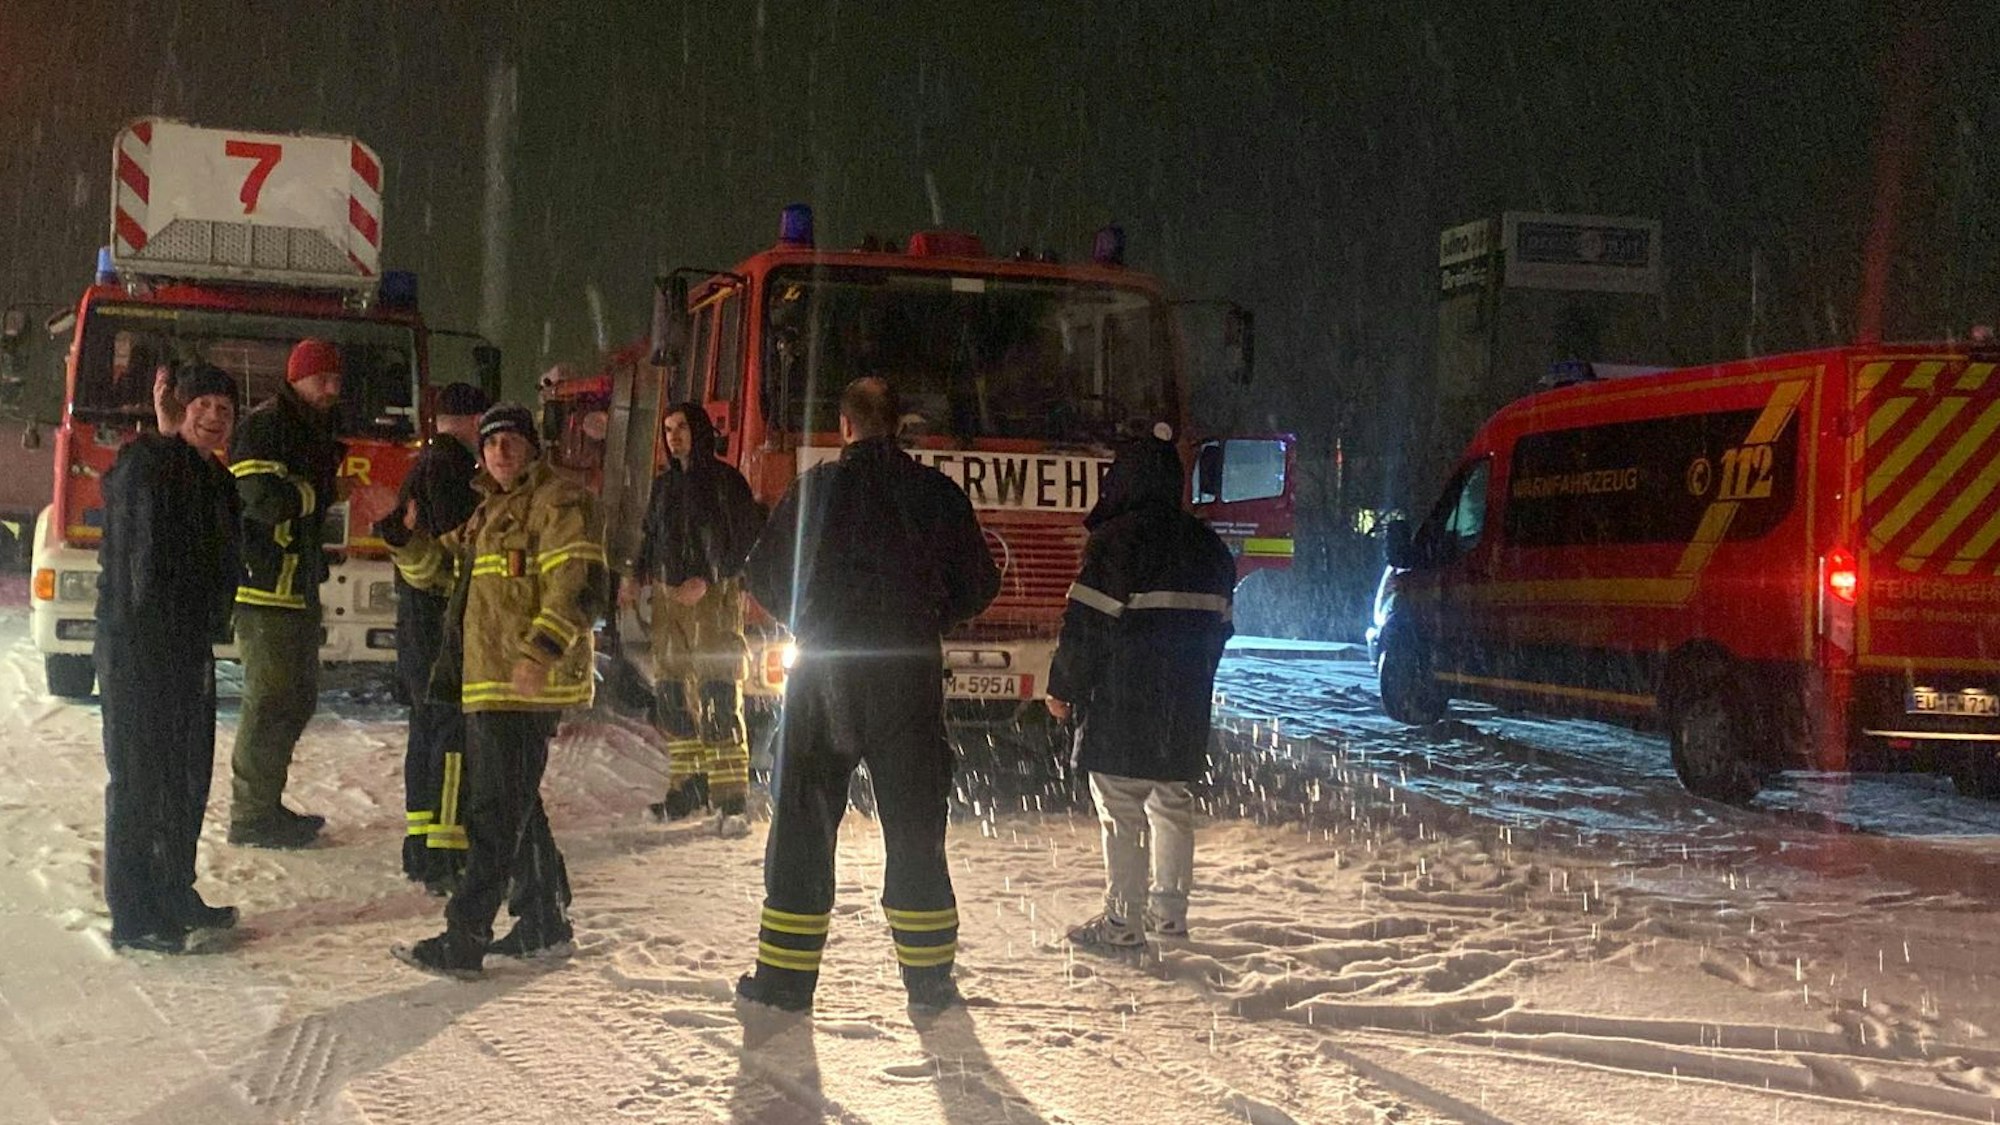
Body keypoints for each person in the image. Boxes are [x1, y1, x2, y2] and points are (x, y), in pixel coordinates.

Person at [735, 377, 999, 1014]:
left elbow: (764, 574)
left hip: (822, 673)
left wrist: (812, 619)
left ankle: (785, 983)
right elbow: (978, 583)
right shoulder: (935, 494)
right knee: (914, 828)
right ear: (900, 426)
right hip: (905, 677)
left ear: (845, 428)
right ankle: (930, 981)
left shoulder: (815, 490)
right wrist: (926, 619)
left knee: (803, 821)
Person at [384, 402, 605, 977]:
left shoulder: (558, 502)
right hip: (490, 683)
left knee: (491, 813)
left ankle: (465, 938)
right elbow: (439, 572)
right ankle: (542, 920)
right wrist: (406, 542)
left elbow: (577, 587)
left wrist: (540, 654)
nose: (500, 451)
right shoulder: (490, 513)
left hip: (524, 685)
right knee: (517, 805)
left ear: (533, 447)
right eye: (490, 443)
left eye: (511, 440)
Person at [1046, 425, 1236, 950]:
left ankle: (1121, 924)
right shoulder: (1209, 548)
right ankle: (1170, 918)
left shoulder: (1116, 544)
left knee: (1121, 810)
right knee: (1172, 803)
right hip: (1184, 705)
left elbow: (1085, 627)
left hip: (1123, 704)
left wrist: (1063, 686)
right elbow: (1221, 630)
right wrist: (1193, 680)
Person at [96, 364, 243, 953]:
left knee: (185, 776)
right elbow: (133, 495)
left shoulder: (215, 477)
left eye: (224, 409)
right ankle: (134, 916)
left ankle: (174, 890)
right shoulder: (145, 462)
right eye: (203, 404)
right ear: (181, 408)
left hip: (187, 647)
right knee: (139, 780)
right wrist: (160, 434)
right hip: (138, 646)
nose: (213, 416)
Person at [225, 338, 345, 848]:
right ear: (297, 377)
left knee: (295, 700)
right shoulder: (266, 427)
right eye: (323, 379)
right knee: (270, 701)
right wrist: (320, 494)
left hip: (295, 586)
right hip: (264, 587)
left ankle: (266, 804)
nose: (332, 389)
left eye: (337, 380)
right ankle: (251, 815)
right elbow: (258, 499)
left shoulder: (309, 428)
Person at [622, 402, 764, 830]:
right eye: (667, 429)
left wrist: (709, 577)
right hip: (668, 607)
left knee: (719, 698)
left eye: (682, 427)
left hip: (713, 604)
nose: (674, 436)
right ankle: (686, 790)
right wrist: (634, 575)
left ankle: (731, 800)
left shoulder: (726, 482)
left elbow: (746, 542)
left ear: (699, 431)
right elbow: (650, 535)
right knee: (672, 701)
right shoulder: (664, 487)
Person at [392, 381, 491, 892]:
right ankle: (444, 854)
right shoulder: (453, 472)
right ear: (475, 421)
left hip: (418, 630)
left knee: (426, 732)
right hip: (441, 630)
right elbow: (459, 557)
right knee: (451, 738)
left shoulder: (425, 466)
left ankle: (419, 843)